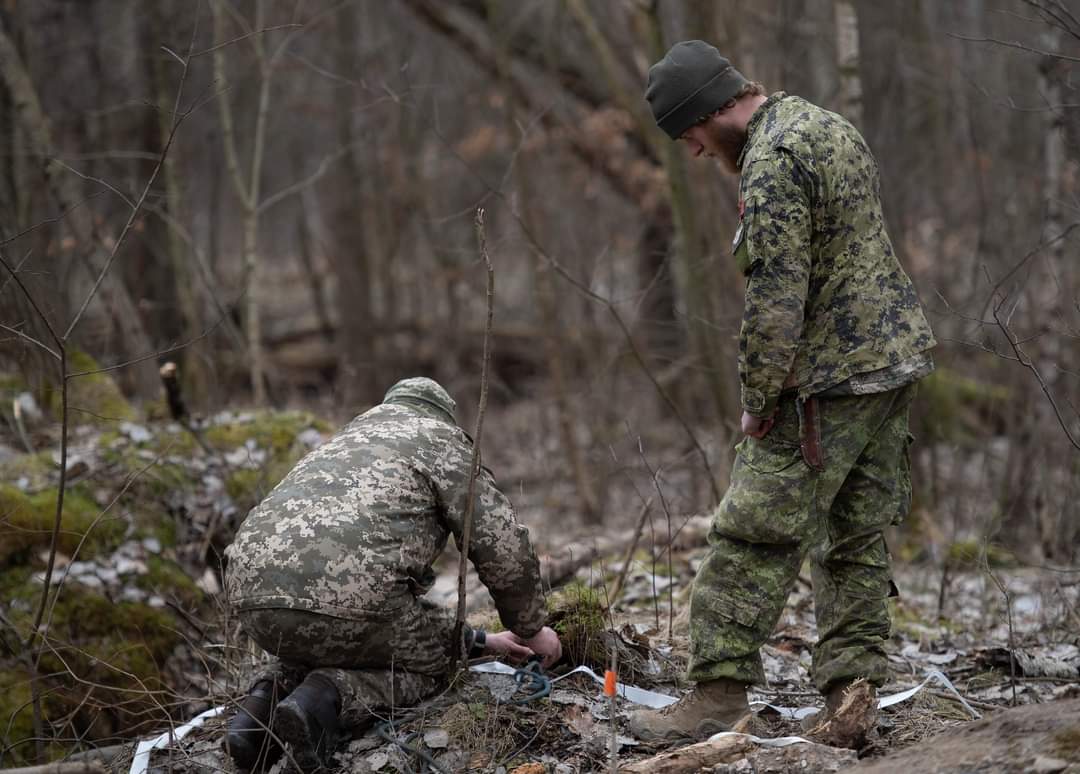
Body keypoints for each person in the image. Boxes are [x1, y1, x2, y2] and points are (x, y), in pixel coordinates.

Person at [629, 41, 936, 745]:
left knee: (750, 537)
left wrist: (760, 398)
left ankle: (715, 696)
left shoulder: (771, 163)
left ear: (710, 109)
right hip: (892, 364)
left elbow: (776, 296)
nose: (698, 152)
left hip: (825, 382)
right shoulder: (826, 126)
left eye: (692, 135)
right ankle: (853, 693)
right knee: (854, 538)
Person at [222, 377, 562, 771]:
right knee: (434, 664)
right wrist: (531, 626)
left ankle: (255, 720)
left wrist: (485, 641)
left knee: (324, 637)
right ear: (443, 415)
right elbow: (501, 543)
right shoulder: (440, 440)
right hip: (353, 602)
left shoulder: (346, 440)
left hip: (250, 598)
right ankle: (324, 699)